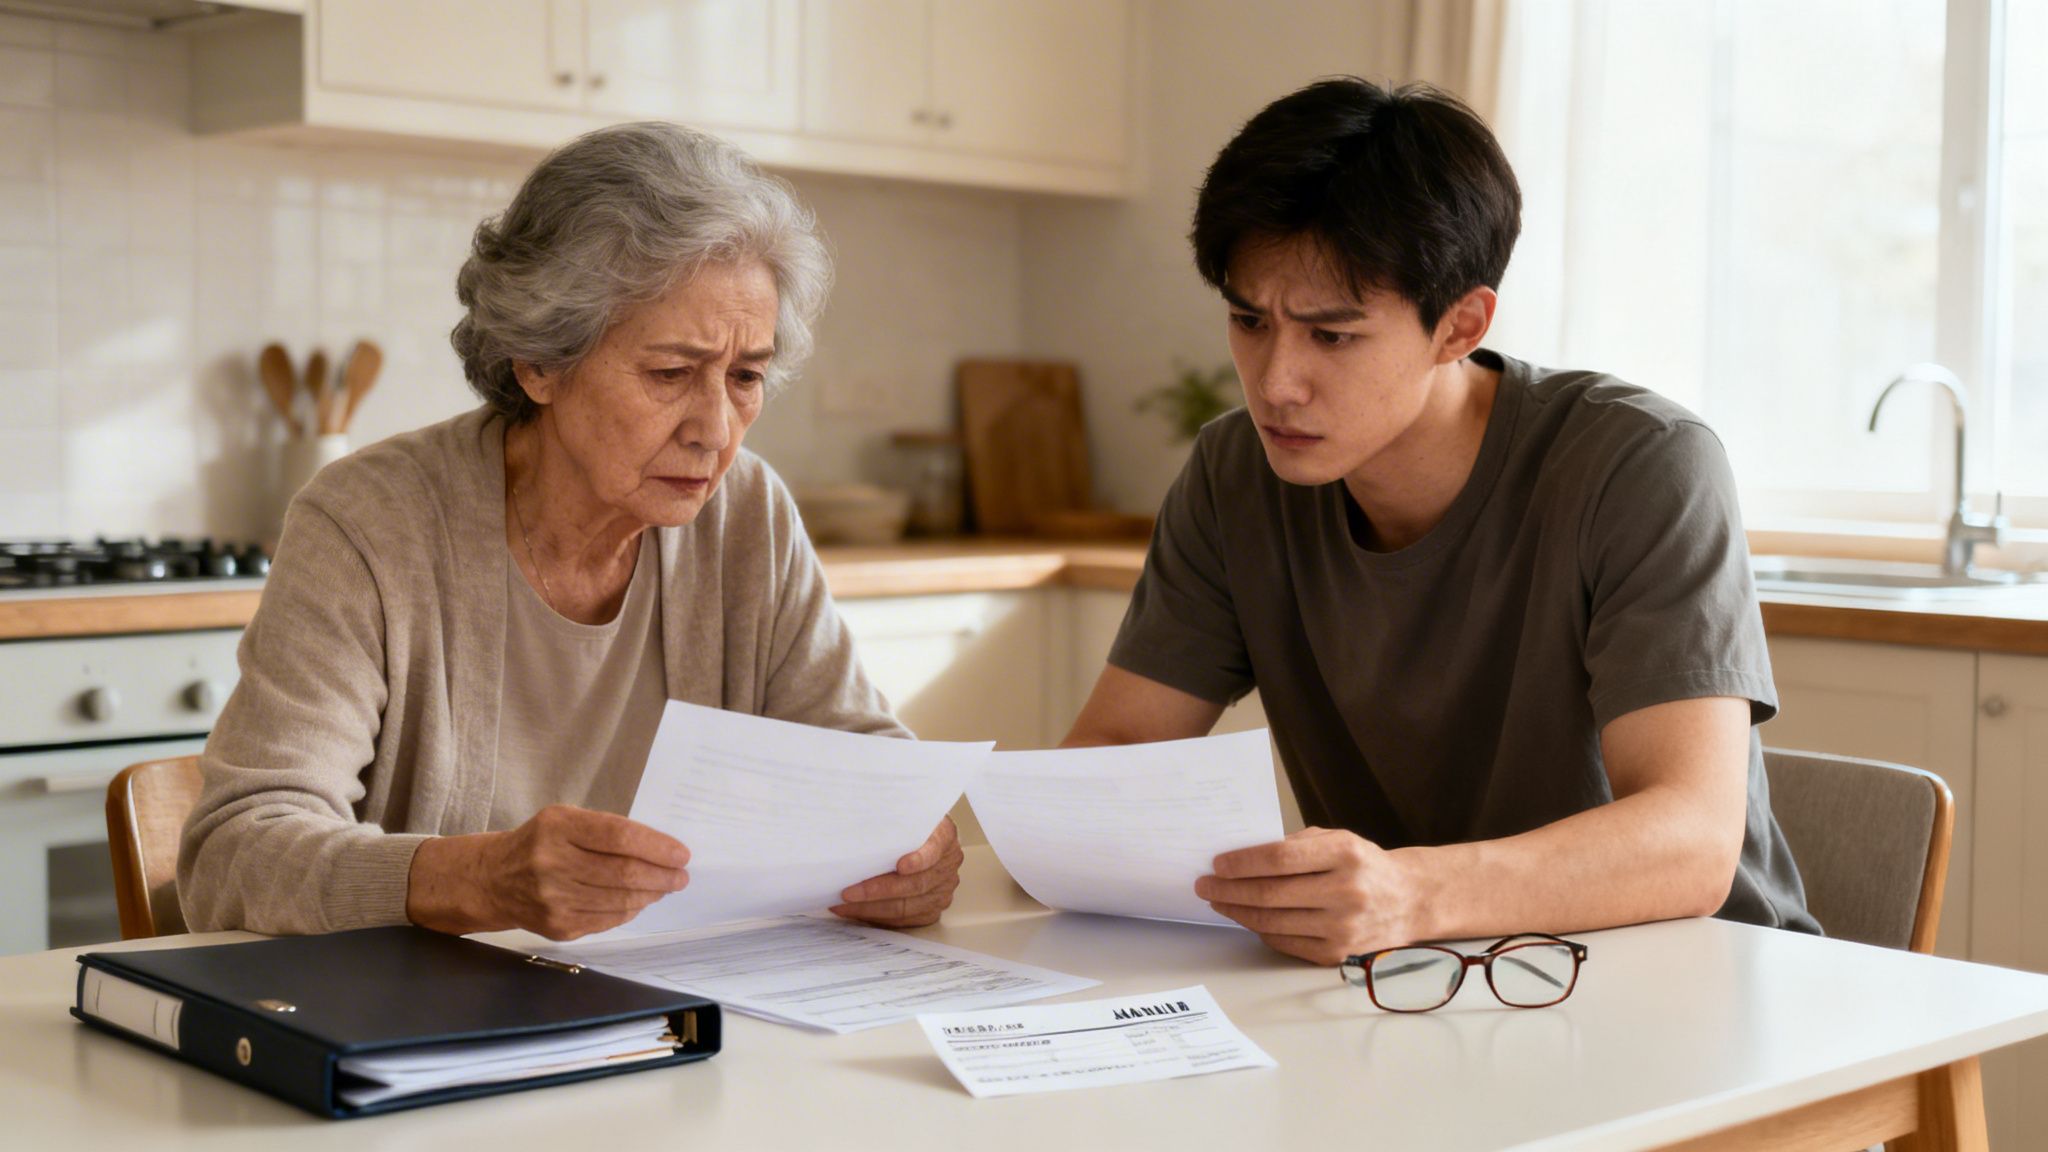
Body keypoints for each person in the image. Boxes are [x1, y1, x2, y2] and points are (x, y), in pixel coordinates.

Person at [1064, 78, 1817, 966]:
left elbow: (1691, 842)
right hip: (1419, 982)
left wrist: (1407, 893)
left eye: (1332, 336)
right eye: (1247, 319)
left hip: (1687, 978)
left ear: (1460, 324)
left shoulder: (1641, 463)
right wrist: (930, 845)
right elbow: (1117, 751)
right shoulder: (1236, 475)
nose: (1274, 383)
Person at [181, 122, 959, 939]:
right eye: (670, 373)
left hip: (684, 1018)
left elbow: (869, 770)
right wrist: (477, 880)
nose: (715, 428)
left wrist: (914, 854)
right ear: (538, 363)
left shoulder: (746, 514)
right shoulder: (370, 525)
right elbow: (235, 854)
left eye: (746, 376)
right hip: (427, 1031)